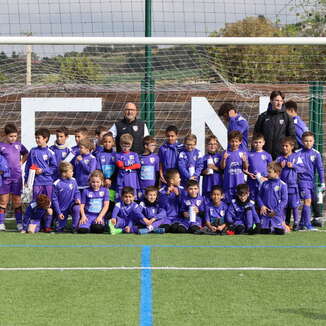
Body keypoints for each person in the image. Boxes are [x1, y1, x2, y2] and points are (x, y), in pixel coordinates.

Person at [0, 123, 28, 231]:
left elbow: (26, 153)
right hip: (5, 178)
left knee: (17, 201)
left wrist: (21, 162)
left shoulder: (19, 145)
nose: (13, 138)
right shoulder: (1, 146)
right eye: (11, 136)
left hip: (17, 177)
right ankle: (1, 223)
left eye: (15, 136)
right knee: (3, 201)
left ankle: (19, 223)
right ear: (5, 135)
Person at [254, 90, 296, 159]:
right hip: (265, 155)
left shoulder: (287, 117)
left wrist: (292, 152)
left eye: (281, 101)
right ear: (271, 100)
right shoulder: (263, 116)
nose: (279, 103)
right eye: (277, 100)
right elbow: (256, 135)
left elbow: (291, 136)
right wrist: (254, 150)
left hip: (281, 155)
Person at [296, 131, 325, 228]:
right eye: (306, 141)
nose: (308, 143)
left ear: (313, 141)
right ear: (302, 141)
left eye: (310, 141)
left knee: (311, 201)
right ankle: (308, 224)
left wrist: (322, 182)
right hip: (301, 181)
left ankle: (301, 223)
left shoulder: (316, 153)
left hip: (311, 182)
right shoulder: (297, 153)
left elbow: (320, 169)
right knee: (307, 201)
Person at [275, 137, 302, 231]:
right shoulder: (279, 158)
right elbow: (273, 170)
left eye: (287, 146)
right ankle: (285, 222)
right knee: (284, 205)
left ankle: (296, 223)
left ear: (292, 146)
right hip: (282, 186)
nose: (284, 148)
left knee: (294, 205)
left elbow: (302, 169)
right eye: (283, 146)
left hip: (293, 186)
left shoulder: (296, 157)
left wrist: (293, 166)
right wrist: (279, 167)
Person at [24, 128, 57, 199]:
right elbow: (28, 166)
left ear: (45, 139)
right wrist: (26, 179)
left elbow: (54, 168)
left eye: (38, 138)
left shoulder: (50, 152)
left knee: (47, 203)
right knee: (36, 202)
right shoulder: (33, 151)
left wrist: (42, 170)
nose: (36, 140)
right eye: (36, 138)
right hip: (36, 182)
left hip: (47, 182)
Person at [257, 162, 288, 235]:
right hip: (265, 213)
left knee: (279, 233)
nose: (267, 174)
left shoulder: (282, 185)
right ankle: (268, 227)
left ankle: (282, 225)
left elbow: (284, 201)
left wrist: (275, 211)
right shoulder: (264, 183)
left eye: (269, 172)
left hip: (276, 214)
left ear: (277, 173)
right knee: (264, 232)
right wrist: (262, 206)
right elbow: (258, 196)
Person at [52, 162, 81, 233]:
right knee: (59, 229)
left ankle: (75, 227)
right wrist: (59, 212)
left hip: (71, 206)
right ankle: (58, 225)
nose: (72, 173)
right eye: (70, 171)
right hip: (62, 209)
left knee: (77, 208)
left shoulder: (73, 180)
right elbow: (54, 200)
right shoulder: (57, 184)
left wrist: (77, 198)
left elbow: (77, 192)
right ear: (64, 173)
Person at [220, 130, 248, 203]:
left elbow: (245, 168)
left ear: (240, 142)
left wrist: (244, 161)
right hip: (228, 183)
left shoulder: (242, 153)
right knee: (229, 203)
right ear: (229, 141)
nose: (234, 143)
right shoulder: (225, 152)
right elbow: (222, 167)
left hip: (239, 183)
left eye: (236, 141)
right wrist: (224, 159)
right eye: (232, 141)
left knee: (240, 203)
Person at [246, 133, 272, 201]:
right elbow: (245, 168)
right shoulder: (248, 154)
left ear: (263, 143)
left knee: (263, 199)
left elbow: (271, 169)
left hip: (264, 180)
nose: (258, 144)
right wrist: (249, 174)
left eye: (260, 142)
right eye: (256, 142)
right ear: (252, 143)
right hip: (252, 181)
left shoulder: (267, 155)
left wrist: (267, 178)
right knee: (252, 199)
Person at [115, 133, 141, 198]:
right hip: (122, 178)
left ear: (131, 145)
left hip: (132, 178)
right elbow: (119, 164)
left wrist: (128, 167)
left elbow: (138, 165)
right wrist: (125, 166)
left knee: (132, 196)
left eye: (128, 146)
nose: (126, 148)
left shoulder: (134, 154)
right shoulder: (118, 155)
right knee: (122, 196)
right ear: (120, 145)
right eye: (124, 146)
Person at [95, 132, 117, 206]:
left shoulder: (116, 155)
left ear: (113, 142)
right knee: (103, 201)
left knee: (111, 201)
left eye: (109, 142)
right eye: (105, 142)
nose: (107, 144)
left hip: (113, 182)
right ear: (102, 142)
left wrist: (110, 179)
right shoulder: (99, 155)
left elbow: (117, 170)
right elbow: (99, 170)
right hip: (103, 182)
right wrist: (104, 180)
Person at [201, 135, 222, 199]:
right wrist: (204, 172)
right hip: (207, 186)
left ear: (217, 145)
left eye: (214, 144)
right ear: (207, 145)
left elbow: (224, 171)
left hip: (218, 184)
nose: (212, 146)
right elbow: (200, 172)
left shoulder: (220, 157)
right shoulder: (203, 158)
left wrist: (214, 168)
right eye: (210, 144)